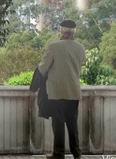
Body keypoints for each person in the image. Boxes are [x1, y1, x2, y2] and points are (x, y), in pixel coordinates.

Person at [36, 19, 86, 159]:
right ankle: (77, 153)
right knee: (72, 124)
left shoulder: (54, 46)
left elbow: (42, 68)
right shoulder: (80, 47)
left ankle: (58, 154)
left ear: (61, 31)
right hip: (74, 90)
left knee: (58, 124)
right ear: (74, 32)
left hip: (56, 91)